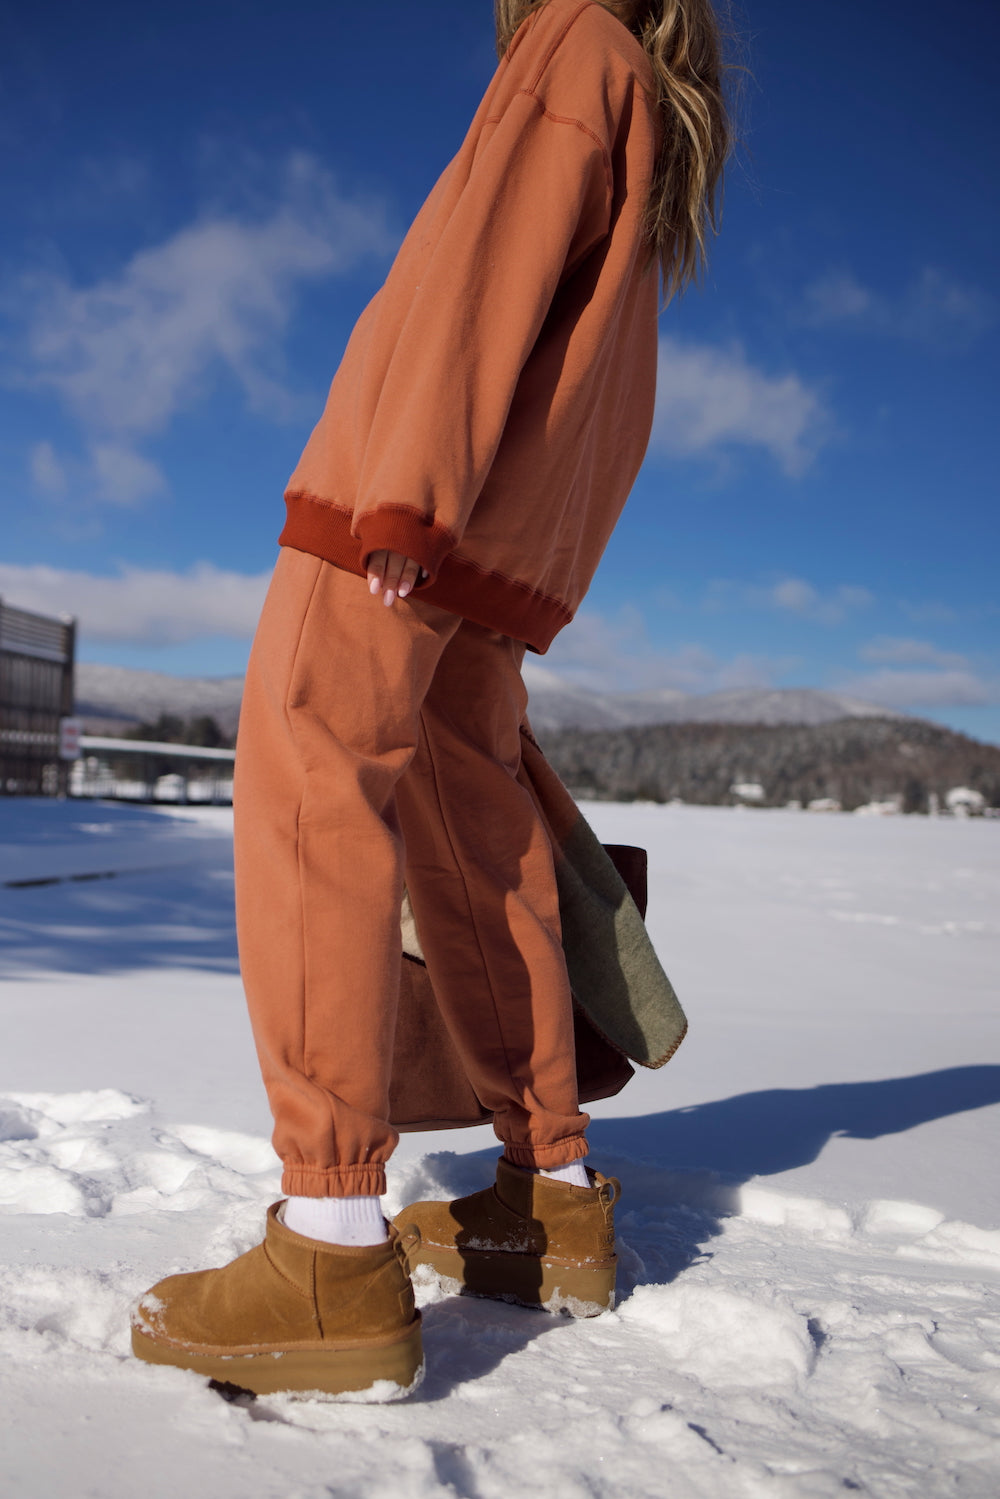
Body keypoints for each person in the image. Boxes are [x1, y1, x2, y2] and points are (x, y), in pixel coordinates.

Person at [131, 0, 730, 1401]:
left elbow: (478, 279)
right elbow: (603, 393)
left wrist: (405, 486)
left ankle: (331, 1245)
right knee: (479, 831)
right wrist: (515, 551)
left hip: (408, 512)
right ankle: (551, 1195)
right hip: (496, 544)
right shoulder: (645, 94)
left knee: (307, 774)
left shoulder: (574, 44)